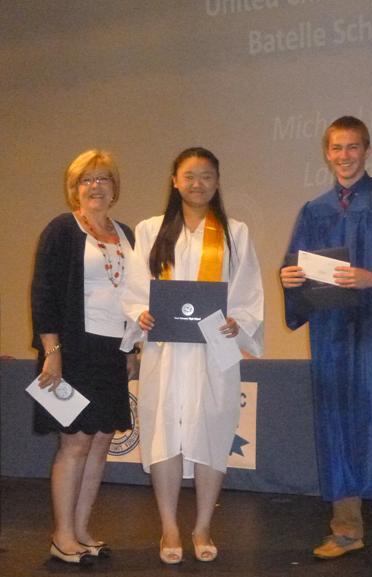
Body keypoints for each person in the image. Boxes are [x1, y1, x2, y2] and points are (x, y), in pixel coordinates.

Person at [280, 116, 372, 564]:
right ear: (326, 154)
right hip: (334, 336)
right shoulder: (314, 211)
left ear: (367, 150)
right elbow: (301, 271)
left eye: (352, 148)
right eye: (336, 148)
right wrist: (290, 279)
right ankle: (346, 529)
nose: (344, 156)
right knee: (338, 425)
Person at [121, 147, 264, 564]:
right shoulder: (150, 230)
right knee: (163, 433)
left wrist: (239, 321)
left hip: (214, 348)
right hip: (166, 348)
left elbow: (247, 289)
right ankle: (169, 525)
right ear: (175, 181)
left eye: (206, 176)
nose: (197, 183)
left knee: (211, 433)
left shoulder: (235, 232)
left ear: (217, 182)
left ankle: (202, 525)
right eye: (189, 175)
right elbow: (134, 288)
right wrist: (139, 314)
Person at [31, 149, 136, 565]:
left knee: (100, 444)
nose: (95, 186)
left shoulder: (126, 233)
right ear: (74, 189)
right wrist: (51, 352)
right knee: (74, 444)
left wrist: (132, 347)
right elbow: (44, 294)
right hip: (72, 350)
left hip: (114, 352)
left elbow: (134, 296)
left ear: (114, 187)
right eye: (86, 180)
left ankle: (81, 530)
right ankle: (61, 536)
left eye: (103, 179)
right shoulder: (62, 229)